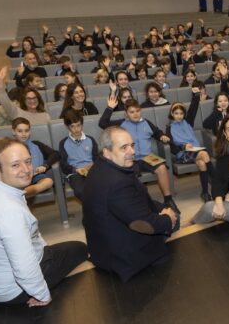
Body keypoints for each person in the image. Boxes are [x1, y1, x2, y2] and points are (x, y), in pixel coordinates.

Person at [0, 137, 87, 306]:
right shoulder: (9, 212)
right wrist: (41, 295)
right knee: (80, 249)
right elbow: (23, 267)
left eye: (28, 161)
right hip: (12, 291)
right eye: (15, 165)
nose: (26, 169)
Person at [82, 127, 178, 282]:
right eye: (124, 147)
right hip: (121, 256)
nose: (132, 151)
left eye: (132, 145)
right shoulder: (116, 183)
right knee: (174, 219)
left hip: (101, 244)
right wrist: (168, 219)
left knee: (164, 211)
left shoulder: (98, 168)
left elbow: (132, 201)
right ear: (107, 152)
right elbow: (141, 224)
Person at [99, 98, 179, 213]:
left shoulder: (146, 122)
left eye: (137, 111)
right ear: (126, 114)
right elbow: (102, 124)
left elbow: (157, 132)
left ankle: (168, 200)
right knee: (131, 177)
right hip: (131, 159)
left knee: (161, 168)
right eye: (132, 112)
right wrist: (110, 108)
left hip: (148, 157)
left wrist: (162, 136)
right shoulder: (121, 124)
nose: (135, 114)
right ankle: (138, 204)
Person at [0, 117, 59, 198]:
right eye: (20, 131)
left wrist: (45, 165)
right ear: (13, 131)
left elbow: (55, 154)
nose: (24, 134)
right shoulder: (8, 147)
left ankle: (19, 194)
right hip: (16, 178)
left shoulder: (36, 145)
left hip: (35, 177)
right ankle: (18, 193)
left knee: (48, 181)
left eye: (26, 131)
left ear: (30, 131)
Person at [167, 95, 214, 202]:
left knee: (202, 164)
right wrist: (183, 146)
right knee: (204, 154)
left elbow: (193, 109)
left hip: (195, 151)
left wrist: (196, 96)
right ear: (172, 114)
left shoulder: (187, 123)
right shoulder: (169, 128)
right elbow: (171, 146)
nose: (179, 116)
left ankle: (205, 193)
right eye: (176, 113)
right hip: (182, 155)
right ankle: (218, 181)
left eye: (181, 113)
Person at [59, 111, 99, 201]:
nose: (76, 129)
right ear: (67, 127)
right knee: (80, 191)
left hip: (91, 170)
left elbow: (97, 158)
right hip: (75, 173)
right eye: (72, 126)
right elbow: (63, 165)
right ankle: (94, 210)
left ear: (82, 125)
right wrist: (76, 169)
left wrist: (91, 166)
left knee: (101, 186)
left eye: (78, 125)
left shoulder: (90, 139)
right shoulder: (63, 143)